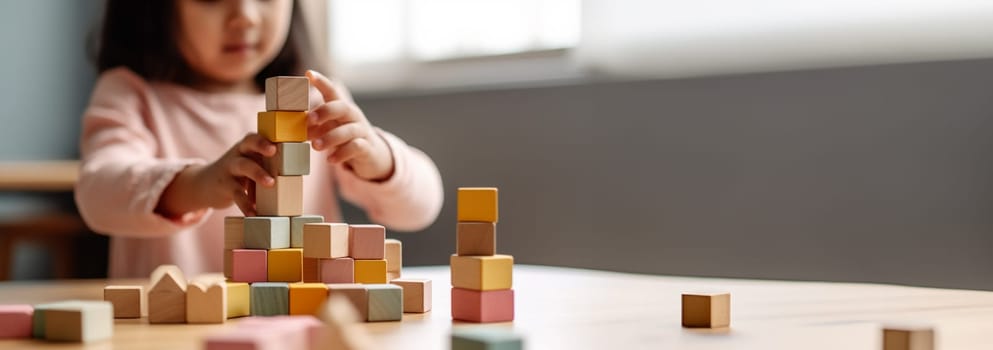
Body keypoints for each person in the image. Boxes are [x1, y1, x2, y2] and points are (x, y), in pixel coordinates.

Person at [75, 0, 443, 278]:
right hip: (172, 328)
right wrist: (199, 184)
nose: (245, 16)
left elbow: (420, 207)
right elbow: (97, 194)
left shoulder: (315, 101)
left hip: (300, 321)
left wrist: (380, 160)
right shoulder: (130, 94)